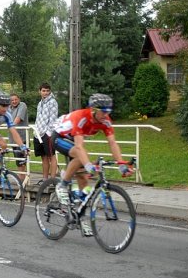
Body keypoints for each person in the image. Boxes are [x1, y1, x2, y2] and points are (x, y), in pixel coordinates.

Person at [52, 93, 133, 236]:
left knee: (84, 181)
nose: (106, 114)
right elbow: (79, 147)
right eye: (104, 111)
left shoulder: (105, 121)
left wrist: (121, 164)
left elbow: (112, 143)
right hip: (60, 137)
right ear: (94, 110)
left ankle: (80, 217)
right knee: (80, 156)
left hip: (74, 139)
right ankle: (62, 185)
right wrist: (89, 165)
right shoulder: (81, 117)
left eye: (109, 111)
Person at [34, 83, 58, 182]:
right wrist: (36, 131)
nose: (46, 93)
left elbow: (53, 119)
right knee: (43, 157)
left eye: (48, 91)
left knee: (51, 156)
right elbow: (38, 118)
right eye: (44, 91)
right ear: (40, 91)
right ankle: (45, 179)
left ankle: (52, 179)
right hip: (38, 133)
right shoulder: (40, 103)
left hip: (47, 134)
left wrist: (48, 133)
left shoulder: (53, 102)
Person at [8, 93, 29, 180]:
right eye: (12, 100)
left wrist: (10, 125)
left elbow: (18, 119)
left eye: (16, 99)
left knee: (22, 161)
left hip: (22, 138)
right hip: (13, 139)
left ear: (19, 99)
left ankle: (22, 181)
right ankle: (21, 180)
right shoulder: (9, 108)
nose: (14, 101)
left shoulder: (22, 105)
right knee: (18, 161)